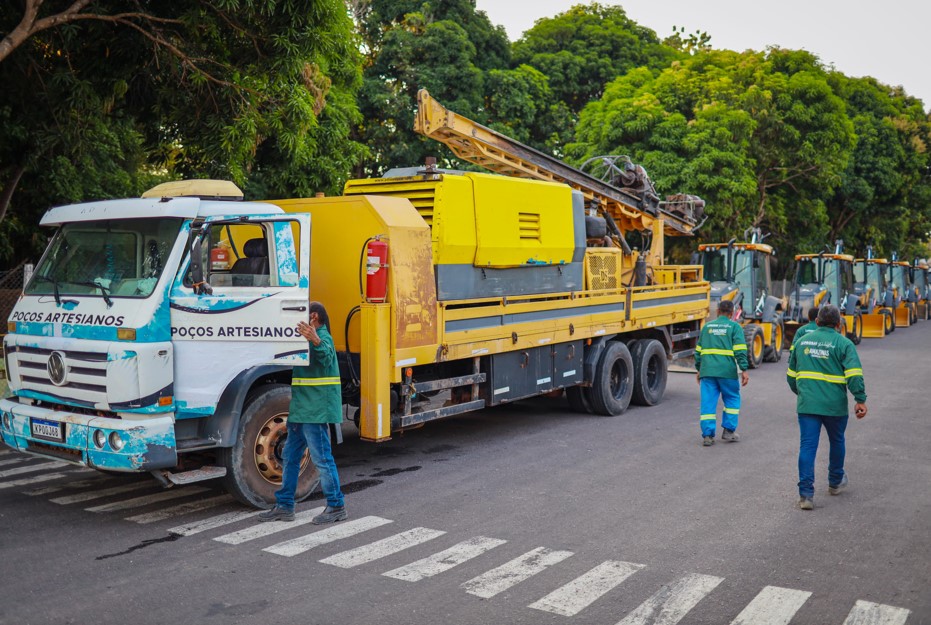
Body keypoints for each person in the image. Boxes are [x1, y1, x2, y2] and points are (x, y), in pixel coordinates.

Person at [259, 301, 347, 524]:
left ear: (314, 317)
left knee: (322, 460)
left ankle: (337, 506)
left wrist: (314, 338)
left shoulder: (323, 338)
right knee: (289, 457)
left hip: (315, 412)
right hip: (300, 411)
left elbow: (326, 354)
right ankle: (285, 505)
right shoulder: (304, 340)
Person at [787, 304, 867, 511]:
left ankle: (805, 495)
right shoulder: (844, 343)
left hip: (808, 406)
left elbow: (791, 376)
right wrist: (860, 399)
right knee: (837, 441)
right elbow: (854, 375)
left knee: (807, 447)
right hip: (835, 406)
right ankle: (835, 482)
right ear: (838, 324)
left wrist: (804, 393)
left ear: (816, 322)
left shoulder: (802, 341)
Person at [694, 299, 750, 446]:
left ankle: (707, 436)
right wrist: (744, 369)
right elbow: (740, 350)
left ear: (718, 311)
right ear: (732, 314)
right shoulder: (734, 327)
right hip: (727, 372)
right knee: (731, 399)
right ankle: (729, 431)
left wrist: (699, 369)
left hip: (708, 372)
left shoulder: (707, 327)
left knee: (708, 403)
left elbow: (699, 351)